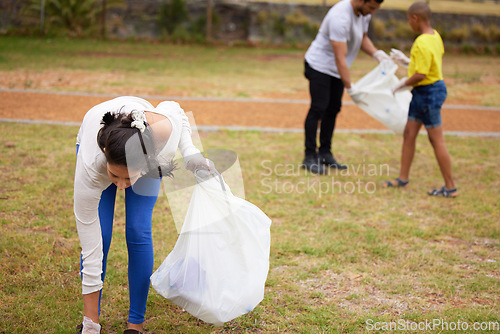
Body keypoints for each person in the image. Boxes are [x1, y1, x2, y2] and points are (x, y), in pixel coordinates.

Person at [74, 96, 213, 333]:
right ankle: (91, 320)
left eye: (128, 178)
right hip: (99, 146)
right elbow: (90, 249)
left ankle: (135, 323)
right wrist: (89, 326)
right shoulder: (92, 163)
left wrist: (190, 152)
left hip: (145, 143)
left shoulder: (161, 137)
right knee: (100, 237)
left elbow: (176, 110)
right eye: (115, 176)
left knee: (138, 230)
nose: (120, 185)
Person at [302, 0, 389, 174]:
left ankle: (325, 153)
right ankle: (309, 156)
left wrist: (377, 54)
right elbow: (340, 57)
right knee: (318, 108)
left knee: (333, 108)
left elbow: (362, 38)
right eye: (371, 7)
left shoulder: (363, 13)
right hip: (319, 66)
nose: (372, 12)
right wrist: (350, 87)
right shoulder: (339, 17)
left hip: (336, 69)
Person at [386, 1, 457, 198]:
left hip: (428, 92)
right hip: (424, 92)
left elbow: (421, 75)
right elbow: (428, 64)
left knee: (436, 140)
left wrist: (400, 85)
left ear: (415, 18)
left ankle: (450, 187)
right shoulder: (435, 37)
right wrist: (406, 61)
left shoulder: (421, 41)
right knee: (409, 133)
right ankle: (403, 178)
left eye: (409, 20)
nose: (409, 24)